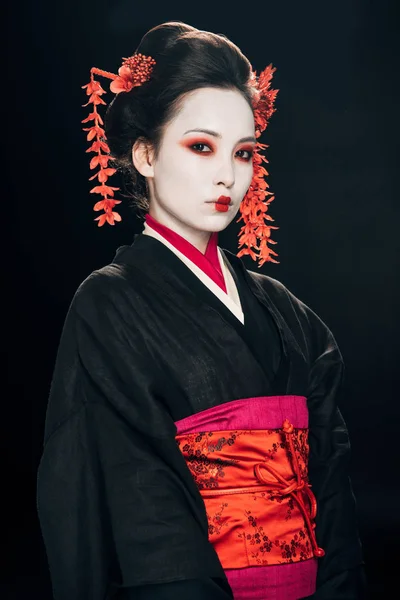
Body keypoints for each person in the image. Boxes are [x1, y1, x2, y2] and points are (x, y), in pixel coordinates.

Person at [36, 20, 367, 600]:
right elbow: (142, 502)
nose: (228, 176)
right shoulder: (110, 303)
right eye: (200, 146)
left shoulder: (287, 313)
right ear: (144, 154)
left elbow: (331, 490)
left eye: (242, 153)